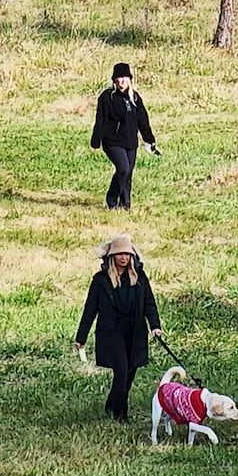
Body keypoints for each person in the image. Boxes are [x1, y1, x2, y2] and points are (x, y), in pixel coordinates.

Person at [74, 235, 163, 423]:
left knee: (130, 371)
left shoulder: (139, 276)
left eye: (127, 254)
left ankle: (111, 403)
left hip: (135, 330)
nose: (124, 258)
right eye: (120, 254)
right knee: (121, 370)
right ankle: (120, 414)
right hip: (112, 332)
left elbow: (149, 302)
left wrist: (155, 326)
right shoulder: (100, 280)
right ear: (112, 256)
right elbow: (90, 309)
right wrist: (81, 337)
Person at [90, 62, 158, 211]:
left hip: (131, 142)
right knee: (123, 169)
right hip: (112, 141)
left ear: (129, 79)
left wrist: (150, 141)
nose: (121, 81)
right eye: (118, 78)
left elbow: (143, 121)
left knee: (128, 174)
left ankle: (125, 204)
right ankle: (111, 201)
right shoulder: (107, 97)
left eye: (124, 78)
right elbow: (100, 119)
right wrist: (96, 141)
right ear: (114, 80)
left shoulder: (135, 98)